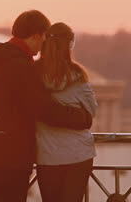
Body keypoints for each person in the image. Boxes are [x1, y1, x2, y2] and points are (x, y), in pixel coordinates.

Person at [0, 10, 92, 202]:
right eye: (44, 38)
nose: (43, 46)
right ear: (36, 35)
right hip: (12, 156)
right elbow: (42, 108)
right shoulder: (21, 66)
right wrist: (81, 117)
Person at [35, 22, 96, 202]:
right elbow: (92, 109)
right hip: (78, 154)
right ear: (70, 45)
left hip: (47, 155)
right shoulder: (77, 75)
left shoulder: (33, 74)